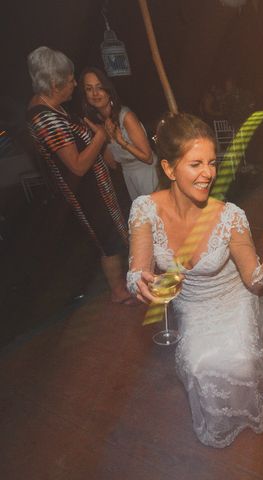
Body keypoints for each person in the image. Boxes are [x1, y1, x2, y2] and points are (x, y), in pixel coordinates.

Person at [126, 113, 263, 447]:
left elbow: (255, 281)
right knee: (198, 365)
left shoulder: (230, 216)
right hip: (192, 307)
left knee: (238, 362)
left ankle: (244, 413)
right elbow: (137, 271)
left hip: (234, 299)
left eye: (212, 162)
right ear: (169, 169)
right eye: (196, 164)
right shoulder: (144, 210)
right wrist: (139, 284)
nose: (208, 173)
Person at [26, 46, 131, 304]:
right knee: (108, 240)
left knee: (116, 234)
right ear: (53, 84)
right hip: (87, 194)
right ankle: (118, 292)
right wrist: (100, 136)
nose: (75, 84)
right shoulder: (45, 118)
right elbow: (77, 166)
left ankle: (126, 283)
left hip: (98, 187)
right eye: (70, 80)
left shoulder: (54, 107)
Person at [80, 67, 159, 200]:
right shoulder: (98, 124)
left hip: (148, 172)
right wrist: (102, 137)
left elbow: (148, 158)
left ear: (108, 91)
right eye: (89, 89)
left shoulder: (126, 117)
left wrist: (122, 142)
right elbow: (113, 164)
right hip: (128, 174)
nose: (95, 93)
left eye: (100, 87)